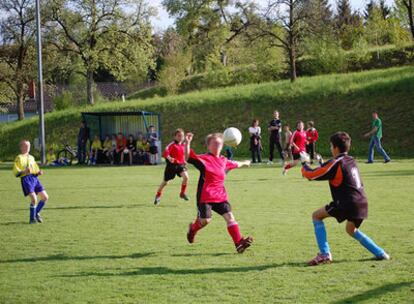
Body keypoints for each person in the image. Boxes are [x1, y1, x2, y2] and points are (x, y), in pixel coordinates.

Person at [301, 132, 390, 266]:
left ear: (336, 147)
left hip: (347, 203)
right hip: (362, 202)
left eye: (331, 146)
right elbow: (329, 168)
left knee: (316, 216)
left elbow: (311, 175)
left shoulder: (336, 163)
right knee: (351, 230)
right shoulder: (351, 160)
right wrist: (321, 162)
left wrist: (304, 163)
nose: (330, 148)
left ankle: (325, 254)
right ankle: (380, 253)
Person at [185, 132, 253, 253]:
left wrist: (245, 163)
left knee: (230, 217)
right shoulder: (203, 159)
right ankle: (193, 230)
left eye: (220, 144)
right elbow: (188, 157)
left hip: (220, 196)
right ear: (208, 146)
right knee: (205, 221)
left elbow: (236, 164)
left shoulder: (223, 160)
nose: (218, 146)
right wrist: (188, 143)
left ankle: (239, 243)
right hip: (205, 196)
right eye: (215, 143)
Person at [13, 140, 49, 224]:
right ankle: (32, 220)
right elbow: (16, 172)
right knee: (34, 199)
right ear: (21, 147)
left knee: (45, 197)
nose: (27, 147)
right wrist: (24, 172)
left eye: (28, 146)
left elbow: (35, 169)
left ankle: (35, 213)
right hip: (26, 179)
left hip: (34, 179)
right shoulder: (19, 158)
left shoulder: (31, 157)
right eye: (25, 146)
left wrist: (38, 173)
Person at [154, 129, 189, 205]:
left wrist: (184, 161)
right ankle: (158, 195)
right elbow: (165, 153)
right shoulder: (172, 144)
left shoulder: (183, 145)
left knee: (186, 177)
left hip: (180, 165)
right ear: (175, 136)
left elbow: (182, 155)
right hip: (171, 166)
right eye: (179, 136)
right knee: (165, 183)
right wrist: (169, 158)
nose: (181, 137)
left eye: (182, 136)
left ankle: (182, 193)